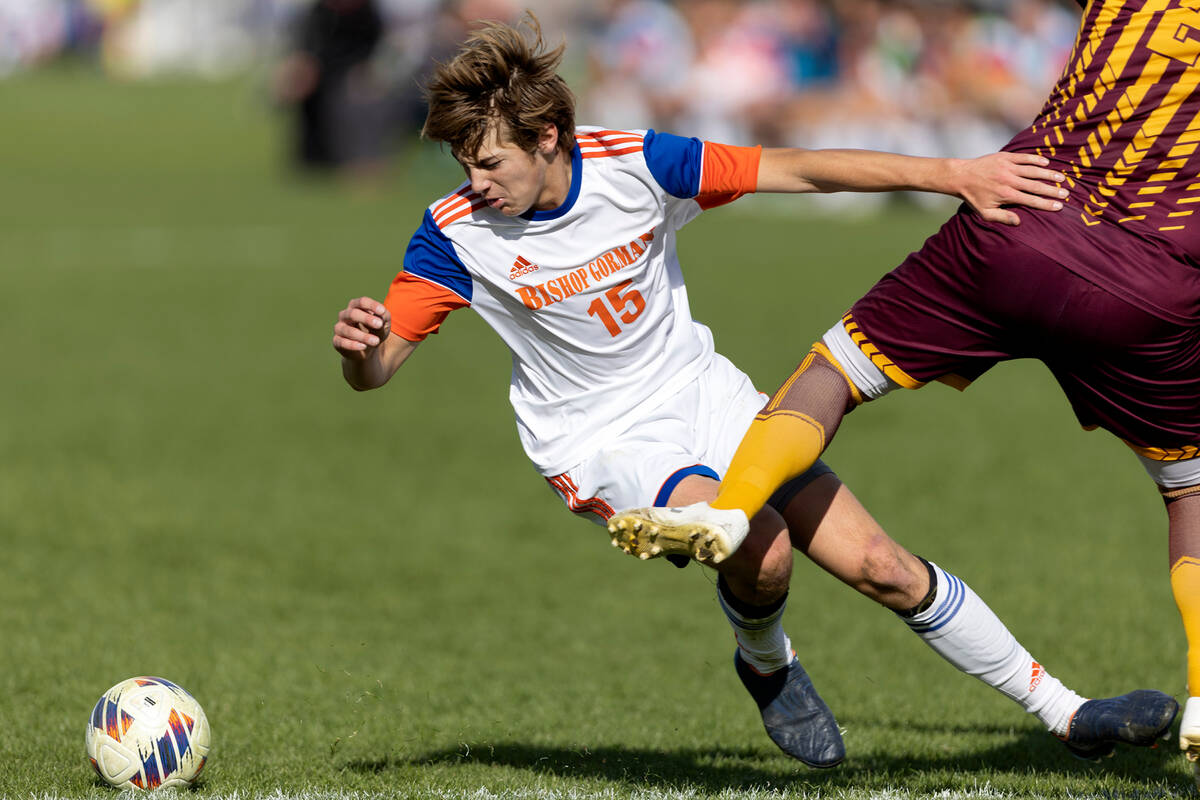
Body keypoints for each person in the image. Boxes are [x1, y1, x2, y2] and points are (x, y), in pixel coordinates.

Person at [332, 13, 1172, 768]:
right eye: (465, 164)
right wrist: (361, 351)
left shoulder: (638, 166)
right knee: (760, 548)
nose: (474, 181)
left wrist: (953, 173)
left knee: (880, 564)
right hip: (606, 439)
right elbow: (380, 371)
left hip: (706, 393)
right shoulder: (456, 233)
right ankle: (768, 662)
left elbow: (799, 169)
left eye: (488, 162)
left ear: (549, 136)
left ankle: (1067, 714)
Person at [611, 0, 1191, 767]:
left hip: (1017, 217)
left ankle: (732, 508)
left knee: (835, 372)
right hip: (1152, 284)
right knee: (1189, 488)